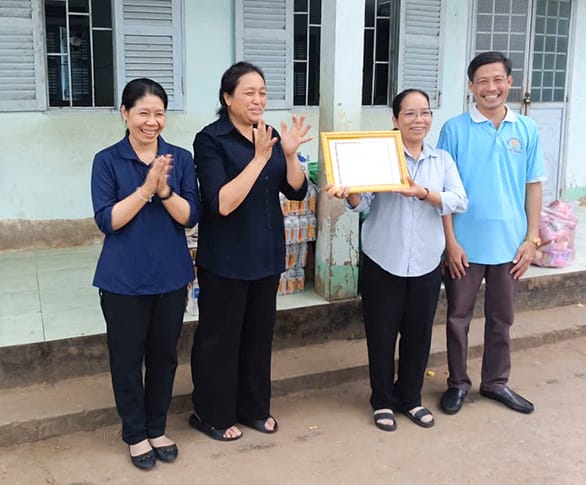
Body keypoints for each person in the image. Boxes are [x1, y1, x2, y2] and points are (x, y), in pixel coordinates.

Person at [328, 89, 467, 431]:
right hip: (383, 259)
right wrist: (351, 191)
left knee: (418, 335)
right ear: (395, 119)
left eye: (425, 112)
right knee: (381, 335)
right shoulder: (380, 156)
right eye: (410, 114)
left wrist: (423, 193)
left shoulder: (441, 160)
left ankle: (410, 398)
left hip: (426, 262)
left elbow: (459, 200)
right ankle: (381, 401)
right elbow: (363, 203)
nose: (419, 120)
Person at [189, 62, 312, 441]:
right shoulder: (210, 140)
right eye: (249, 92)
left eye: (262, 92)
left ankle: (254, 408)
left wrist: (288, 155)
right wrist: (259, 159)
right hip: (225, 258)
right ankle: (211, 413)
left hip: (265, 254)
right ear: (227, 98)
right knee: (219, 340)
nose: (258, 100)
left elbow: (297, 191)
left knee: (258, 338)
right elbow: (221, 203)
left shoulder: (270, 135)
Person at [91, 78, 200, 469]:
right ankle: (135, 434)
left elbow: (190, 217)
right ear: (125, 113)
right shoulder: (107, 160)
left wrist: (165, 191)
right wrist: (144, 189)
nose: (152, 122)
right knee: (126, 358)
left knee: (164, 357)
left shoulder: (179, 159)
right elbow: (108, 220)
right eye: (143, 113)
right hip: (122, 279)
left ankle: (157, 427)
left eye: (159, 114)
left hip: (170, 275)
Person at [437, 51, 546, 416]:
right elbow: (443, 191)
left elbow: (533, 185)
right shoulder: (454, 129)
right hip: (464, 246)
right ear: (471, 86)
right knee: (458, 318)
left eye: (498, 80)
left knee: (502, 319)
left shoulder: (526, 129)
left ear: (509, 83)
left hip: (510, 245)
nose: (491, 88)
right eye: (482, 81)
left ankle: (496, 382)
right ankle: (457, 383)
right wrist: (450, 242)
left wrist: (531, 239)